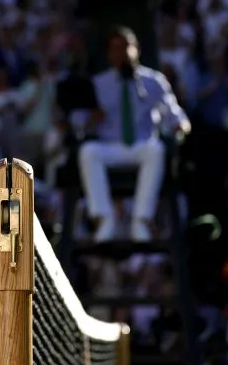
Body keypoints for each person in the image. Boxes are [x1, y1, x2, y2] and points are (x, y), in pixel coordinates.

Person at [77, 26, 190, 242]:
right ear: (110, 54)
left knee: (156, 149)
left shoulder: (154, 81)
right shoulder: (98, 84)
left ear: (136, 49)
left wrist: (181, 127)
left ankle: (141, 220)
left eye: (126, 47)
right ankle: (104, 217)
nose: (121, 53)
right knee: (88, 151)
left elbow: (175, 116)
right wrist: (93, 118)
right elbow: (80, 126)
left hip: (142, 147)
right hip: (111, 147)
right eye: (116, 49)